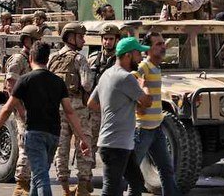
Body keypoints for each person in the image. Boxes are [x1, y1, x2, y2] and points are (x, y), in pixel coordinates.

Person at [0, 42, 90, 196]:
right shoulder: (58, 82)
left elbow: (7, 108)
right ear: (47, 58)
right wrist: (82, 137)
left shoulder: (25, 80)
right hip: (54, 136)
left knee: (41, 176)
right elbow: (70, 112)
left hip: (34, 134)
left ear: (30, 58)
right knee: (39, 175)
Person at [87, 37, 151, 196]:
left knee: (136, 182)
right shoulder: (126, 77)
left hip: (119, 144)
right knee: (111, 189)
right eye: (138, 54)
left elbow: (91, 103)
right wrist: (144, 86)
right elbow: (147, 102)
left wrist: (115, 107)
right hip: (116, 145)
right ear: (128, 55)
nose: (141, 58)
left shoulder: (106, 74)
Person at [128, 32, 181, 196]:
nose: (163, 46)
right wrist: (139, 106)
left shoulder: (157, 67)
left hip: (156, 128)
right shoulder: (144, 66)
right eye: (158, 44)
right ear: (148, 49)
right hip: (142, 129)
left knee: (166, 170)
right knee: (131, 172)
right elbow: (130, 83)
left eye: (163, 43)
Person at [47, 22, 93, 196]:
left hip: (58, 109)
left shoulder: (53, 57)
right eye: (81, 36)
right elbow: (87, 85)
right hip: (78, 109)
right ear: (71, 37)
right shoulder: (79, 58)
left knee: (62, 148)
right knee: (84, 144)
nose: (83, 40)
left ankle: (65, 188)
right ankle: (82, 186)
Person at [5, 25, 43, 195]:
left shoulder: (32, 59)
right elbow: (11, 85)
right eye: (35, 40)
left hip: (33, 107)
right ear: (27, 40)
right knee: (25, 145)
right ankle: (21, 183)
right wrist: (20, 109)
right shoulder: (18, 59)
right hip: (23, 108)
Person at [87, 24, 120, 172]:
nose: (107, 42)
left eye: (111, 39)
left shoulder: (122, 60)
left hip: (113, 109)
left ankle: (112, 175)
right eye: (105, 39)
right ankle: (86, 177)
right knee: (90, 142)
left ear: (117, 40)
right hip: (95, 108)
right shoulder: (93, 59)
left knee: (111, 145)